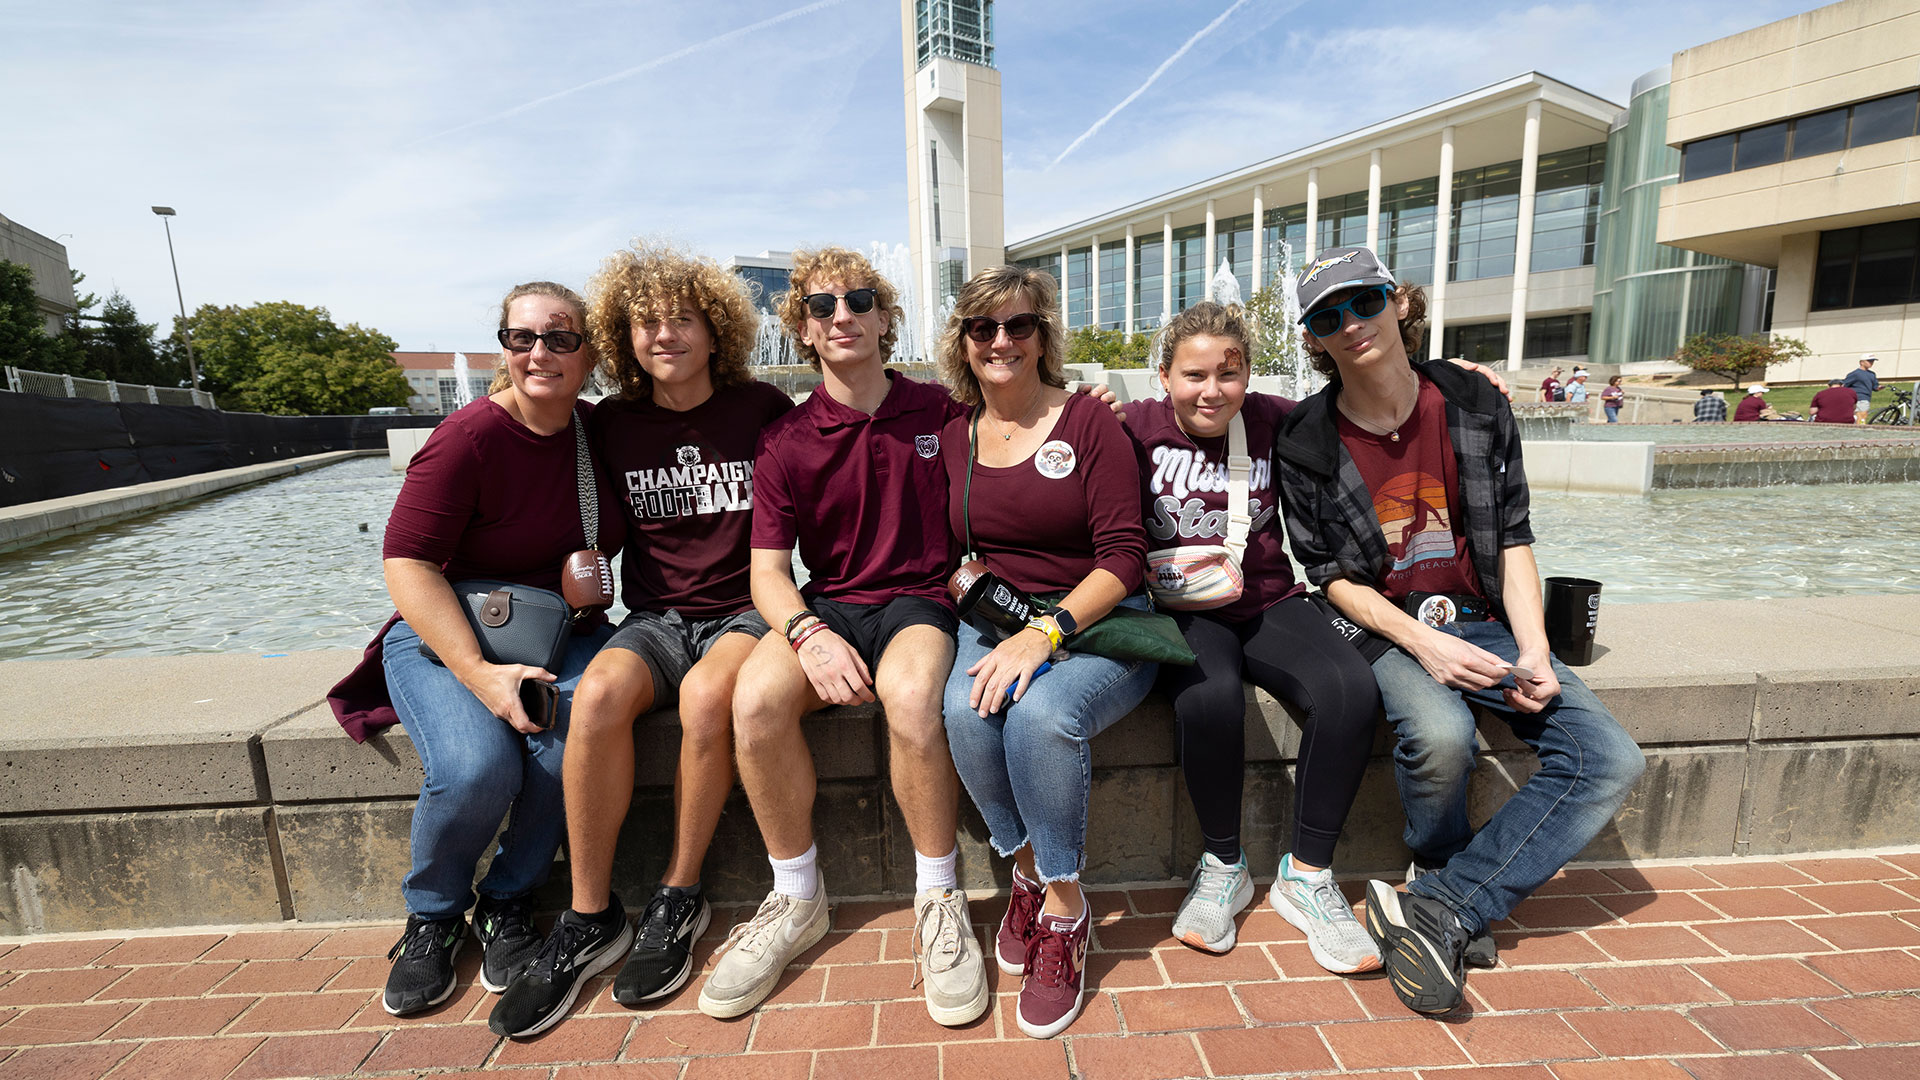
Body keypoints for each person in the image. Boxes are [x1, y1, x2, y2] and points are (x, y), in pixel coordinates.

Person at [1273, 246, 1644, 1018]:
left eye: (1364, 302)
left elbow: (1513, 537)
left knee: (1609, 758)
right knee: (1442, 733)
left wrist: (1535, 647)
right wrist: (1423, 643)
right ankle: (1441, 869)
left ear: (1398, 303)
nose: (1351, 325)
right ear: (1313, 337)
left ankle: (1441, 901)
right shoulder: (1306, 440)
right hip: (1382, 627)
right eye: (1327, 317)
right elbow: (1331, 577)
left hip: (1487, 622)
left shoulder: (1474, 400)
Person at [487, 248, 794, 1037]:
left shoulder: (760, 406)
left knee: (705, 698)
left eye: (682, 318)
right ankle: (592, 915)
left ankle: (679, 893)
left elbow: (847, 425)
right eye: (647, 321)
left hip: (742, 611)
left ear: (715, 328)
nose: (665, 334)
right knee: (592, 699)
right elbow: (524, 407)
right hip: (654, 618)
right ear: (626, 337)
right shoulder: (611, 421)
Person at [704, 246, 989, 1027]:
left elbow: (1026, 427)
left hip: (922, 598)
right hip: (830, 603)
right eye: (823, 307)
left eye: (860, 301)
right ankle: (798, 897)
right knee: (755, 700)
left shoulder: (938, 410)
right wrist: (806, 635)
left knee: (908, 698)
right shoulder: (785, 440)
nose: (843, 316)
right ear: (803, 328)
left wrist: (1094, 407)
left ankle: (939, 897)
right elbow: (768, 573)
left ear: (885, 317)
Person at [328, 282, 627, 1017]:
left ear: (590, 352)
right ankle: (432, 915)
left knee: (572, 749)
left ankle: (508, 901)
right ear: (504, 347)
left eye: (560, 338)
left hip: (563, 636)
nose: (539, 353)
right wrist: (482, 676)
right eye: (521, 337)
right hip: (447, 642)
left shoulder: (598, 434)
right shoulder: (469, 437)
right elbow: (406, 564)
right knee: (473, 769)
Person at [1125, 301, 1382, 974]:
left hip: (1266, 598)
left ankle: (1307, 875)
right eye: (1194, 375)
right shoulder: (1131, 425)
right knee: (1208, 699)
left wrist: (1460, 374)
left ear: (1248, 375)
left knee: (1351, 687)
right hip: (1181, 608)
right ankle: (1224, 866)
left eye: (1229, 373)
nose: (1212, 390)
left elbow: (1375, 393)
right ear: (1164, 377)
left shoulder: (1279, 417)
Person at [936, 265, 1159, 1039]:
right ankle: (1024, 870)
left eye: (1019, 325)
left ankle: (1064, 910)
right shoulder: (951, 435)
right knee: (967, 712)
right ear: (963, 342)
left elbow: (1125, 555)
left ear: (1042, 335)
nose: (1001, 341)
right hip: (999, 615)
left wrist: (1048, 632)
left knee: (1040, 720)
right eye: (983, 328)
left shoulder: (1090, 423)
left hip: (1098, 619)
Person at [1843, 354, 1881, 423]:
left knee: (1861, 416)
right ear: (1861, 362)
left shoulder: (1872, 374)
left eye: (1872, 361)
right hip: (1857, 398)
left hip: (1866, 398)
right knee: (1861, 416)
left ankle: (1858, 429)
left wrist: (1879, 388)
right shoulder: (1855, 374)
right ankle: (1860, 430)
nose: (1871, 363)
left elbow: (1875, 387)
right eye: (1869, 361)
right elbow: (1844, 385)